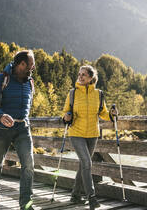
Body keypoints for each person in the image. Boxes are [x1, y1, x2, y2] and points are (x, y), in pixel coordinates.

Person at [0, 50, 36, 210]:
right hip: (1, 128)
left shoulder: (30, 82)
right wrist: (0, 115)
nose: (33, 68)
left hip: (22, 128)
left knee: (28, 164)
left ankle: (26, 203)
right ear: (21, 64)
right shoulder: (1, 79)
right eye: (31, 65)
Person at [62, 65, 118, 210]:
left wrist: (112, 115)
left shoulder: (99, 94)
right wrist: (66, 116)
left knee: (83, 165)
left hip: (92, 134)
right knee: (87, 162)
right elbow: (65, 112)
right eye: (79, 74)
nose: (80, 77)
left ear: (91, 78)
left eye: (84, 75)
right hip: (76, 133)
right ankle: (91, 198)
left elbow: (103, 113)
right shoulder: (72, 93)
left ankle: (75, 195)